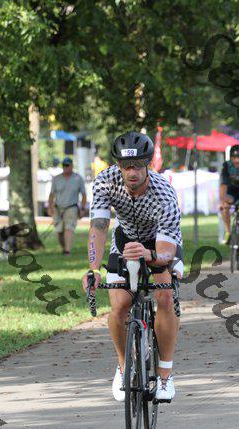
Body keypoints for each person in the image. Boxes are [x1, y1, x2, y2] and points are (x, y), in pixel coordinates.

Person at [82, 131, 184, 402]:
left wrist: (150, 255)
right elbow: (99, 227)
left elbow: (166, 251)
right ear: (118, 165)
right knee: (119, 306)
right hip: (125, 241)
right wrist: (93, 269)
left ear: (147, 164)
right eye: (126, 166)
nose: (132, 172)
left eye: (138, 165)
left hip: (160, 242)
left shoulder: (164, 192)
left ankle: (165, 376)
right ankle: (124, 365)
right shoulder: (105, 181)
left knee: (164, 296)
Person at [48, 157, 87, 256]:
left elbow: (84, 195)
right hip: (58, 208)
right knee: (59, 231)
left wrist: (82, 208)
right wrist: (50, 207)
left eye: (67, 165)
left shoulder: (78, 178)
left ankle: (67, 251)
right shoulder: (56, 179)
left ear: (72, 166)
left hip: (71, 207)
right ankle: (64, 248)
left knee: (69, 228)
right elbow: (51, 195)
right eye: (64, 165)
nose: (65, 167)